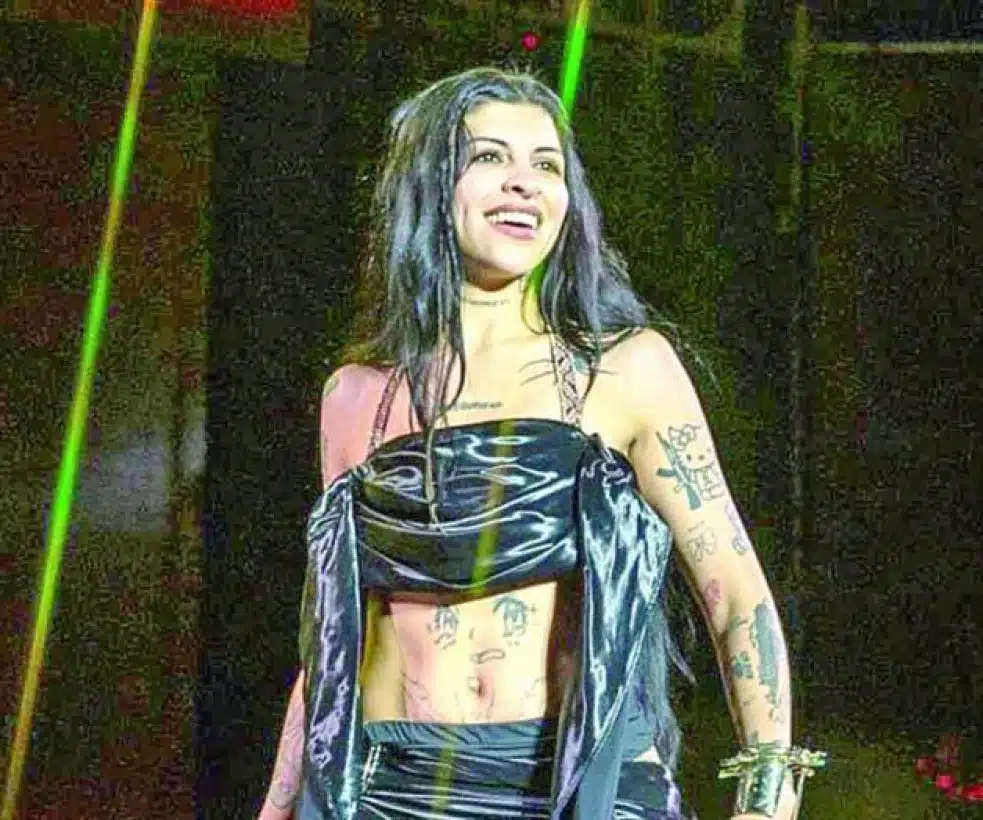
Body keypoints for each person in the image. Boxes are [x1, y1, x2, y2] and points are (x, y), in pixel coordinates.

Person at [258, 66, 824, 820]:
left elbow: (734, 592)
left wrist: (767, 793)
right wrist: (277, 805)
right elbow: (331, 644)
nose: (524, 183)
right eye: (490, 157)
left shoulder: (624, 369)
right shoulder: (356, 397)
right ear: (428, 187)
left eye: (547, 165)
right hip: (392, 789)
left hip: (574, 783)